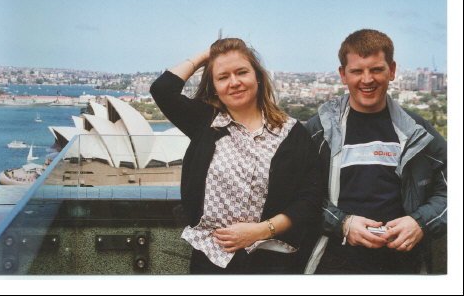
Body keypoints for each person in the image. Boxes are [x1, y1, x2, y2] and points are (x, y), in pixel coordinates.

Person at [150, 38, 324, 274]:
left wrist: (261, 230)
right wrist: (208, 55)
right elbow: (162, 89)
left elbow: (309, 200)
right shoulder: (205, 123)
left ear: (258, 77)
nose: (234, 82)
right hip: (211, 260)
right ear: (214, 86)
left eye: (242, 72)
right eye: (223, 77)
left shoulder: (291, 133)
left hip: (271, 261)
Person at [304, 29, 447, 274]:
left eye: (376, 69)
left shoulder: (417, 131)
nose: (367, 79)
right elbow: (297, 196)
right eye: (357, 71)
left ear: (392, 71)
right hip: (334, 262)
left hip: (402, 263)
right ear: (343, 75)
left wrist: (420, 222)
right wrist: (342, 224)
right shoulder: (320, 130)